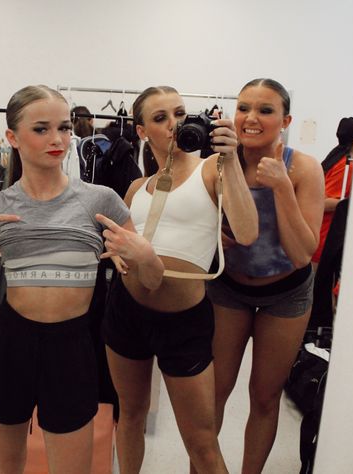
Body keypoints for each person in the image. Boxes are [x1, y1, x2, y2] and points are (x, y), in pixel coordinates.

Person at [0, 85, 163, 474]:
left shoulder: (101, 200)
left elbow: (151, 282)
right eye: (41, 129)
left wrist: (145, 255)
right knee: (7, 466)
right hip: (12, 342)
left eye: (63, 128)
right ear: (11, 137)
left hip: (73, 344)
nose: (57, 139)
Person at [101, 86, 258, 474]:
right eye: (160, 118)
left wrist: (232, 160)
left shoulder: (212, 170)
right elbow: (118, 240)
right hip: (125, 311)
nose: (174, 125)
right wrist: (121, 254)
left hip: (183, 322)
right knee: (130, 415)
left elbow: (248, 232)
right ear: (141, 132)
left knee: (201, 443)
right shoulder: (138, 187)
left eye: (180, 114)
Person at [206, 78, 325, 473]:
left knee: (264, 397)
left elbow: (301, 253)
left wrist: (282, 189)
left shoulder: (303, 168)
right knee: (213, 394)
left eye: (265, 110)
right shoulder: (219, 163)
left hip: (286, 295)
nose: (251, 118)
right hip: (229, 290)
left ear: (285, 119)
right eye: (243, 108)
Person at [311, 116, 353, 269]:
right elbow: (324, 202)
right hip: (325, 237)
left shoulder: (334, 160)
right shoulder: (346, 167)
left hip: (319, 235)